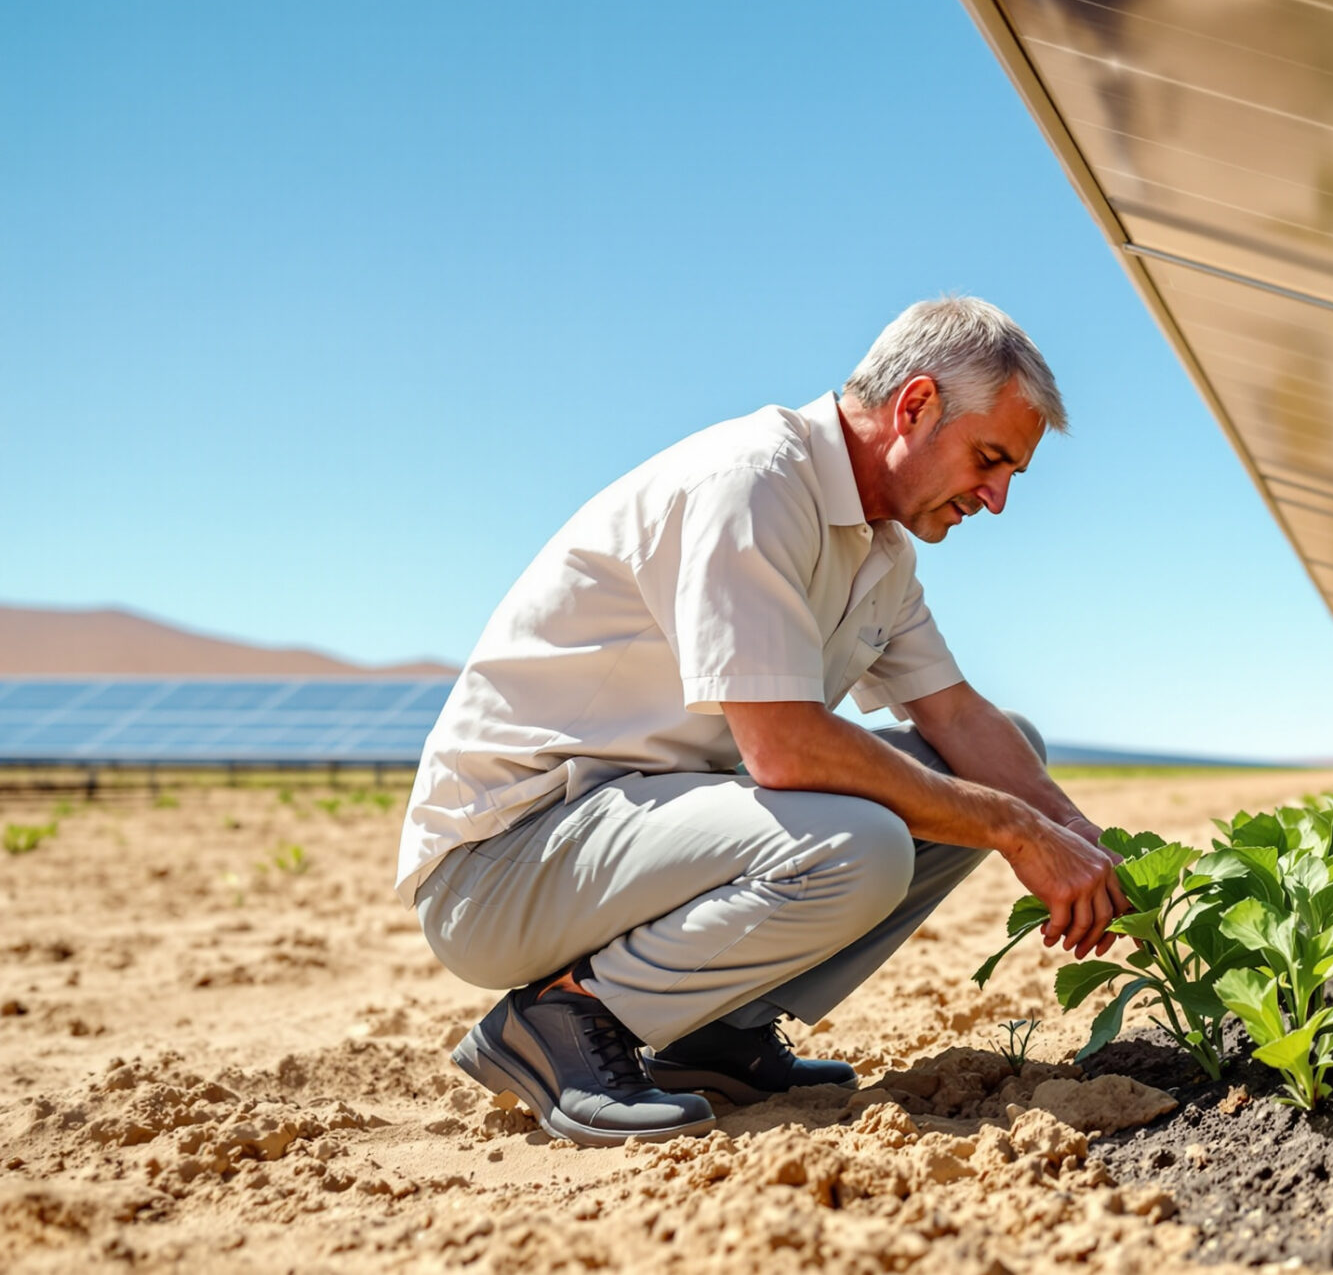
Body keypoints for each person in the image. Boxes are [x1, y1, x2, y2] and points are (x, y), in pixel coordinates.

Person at [395, 296, 1129, 1147]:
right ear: (916, 405)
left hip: (624, 839)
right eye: (989, 458)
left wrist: (1077, 836)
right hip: (503, 865)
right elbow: (783, 747)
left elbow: (959, 714)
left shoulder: (879, 547)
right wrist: (1014, 826)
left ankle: (713, 1031)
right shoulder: (754, 482)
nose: (997, 498)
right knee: (861, 843)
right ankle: (562, 1023)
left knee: (1007, 757)